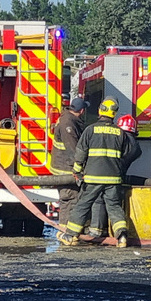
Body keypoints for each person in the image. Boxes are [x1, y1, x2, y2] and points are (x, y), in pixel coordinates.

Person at [59, 98, 138, 248]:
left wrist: (77, 171)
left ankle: (69, 235)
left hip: (93, 178)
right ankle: (122, 237)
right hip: (113, 179)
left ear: (100, 111)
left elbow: (80, 153)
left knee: (83, 205)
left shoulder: (90, 130)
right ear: (114, 114)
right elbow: (127, 152)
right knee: (114, 207)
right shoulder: (120, 133)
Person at [51, 97, 102, 238]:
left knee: (75, 198)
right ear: (82, 110)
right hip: (65, 169)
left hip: (65, 166)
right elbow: (73, 150)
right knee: (70, 199)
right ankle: (65, 233)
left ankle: (72, 231)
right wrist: (79, 170)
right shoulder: (68, 124)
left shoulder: (69, 120)